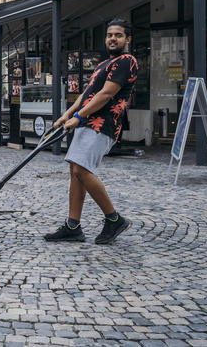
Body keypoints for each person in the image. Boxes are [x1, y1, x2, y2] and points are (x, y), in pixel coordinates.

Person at [46, 19, 138, 245]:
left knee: (82, 170)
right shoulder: (103, 65)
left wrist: (79, 117)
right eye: (109, 35)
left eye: (118, 35)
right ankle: (73, 226)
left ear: (128, 39)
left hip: (102, 123)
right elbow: (86, 94)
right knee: (76, 171)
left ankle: (113, 218)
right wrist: (67, 114)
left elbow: (106, 95)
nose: (112, 39)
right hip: (87, 121)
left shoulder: (127, 61)